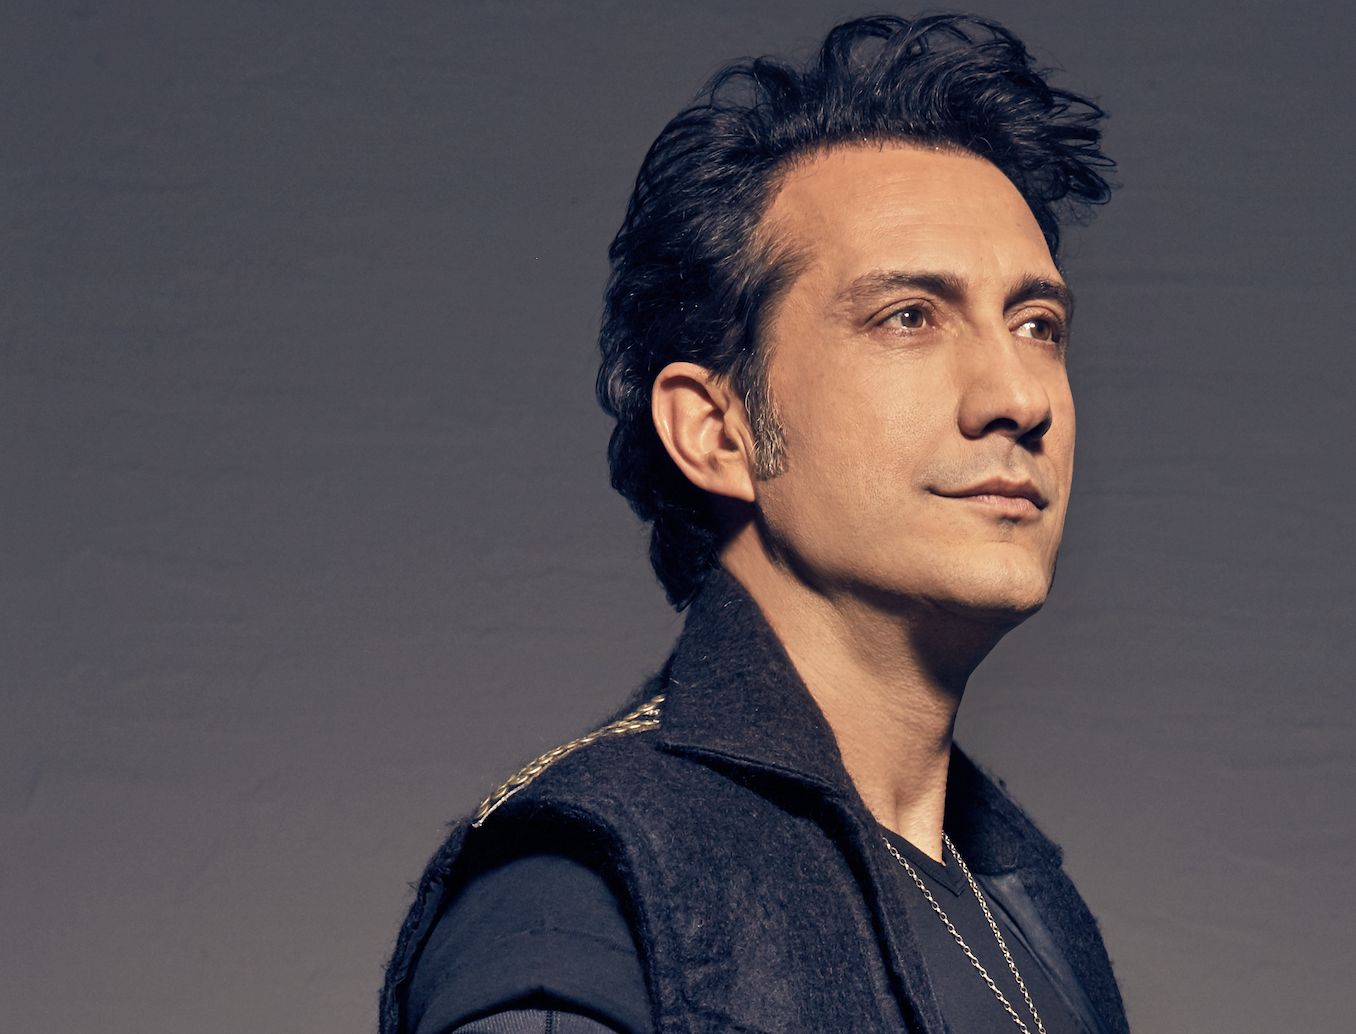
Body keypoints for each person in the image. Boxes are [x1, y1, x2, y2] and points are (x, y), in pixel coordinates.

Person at [381, 14, 1124, 1034]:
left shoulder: (1030, 914)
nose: (1019, 397)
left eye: (1037, 326)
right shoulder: (581, 895)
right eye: (909, 316)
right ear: (717, 430)